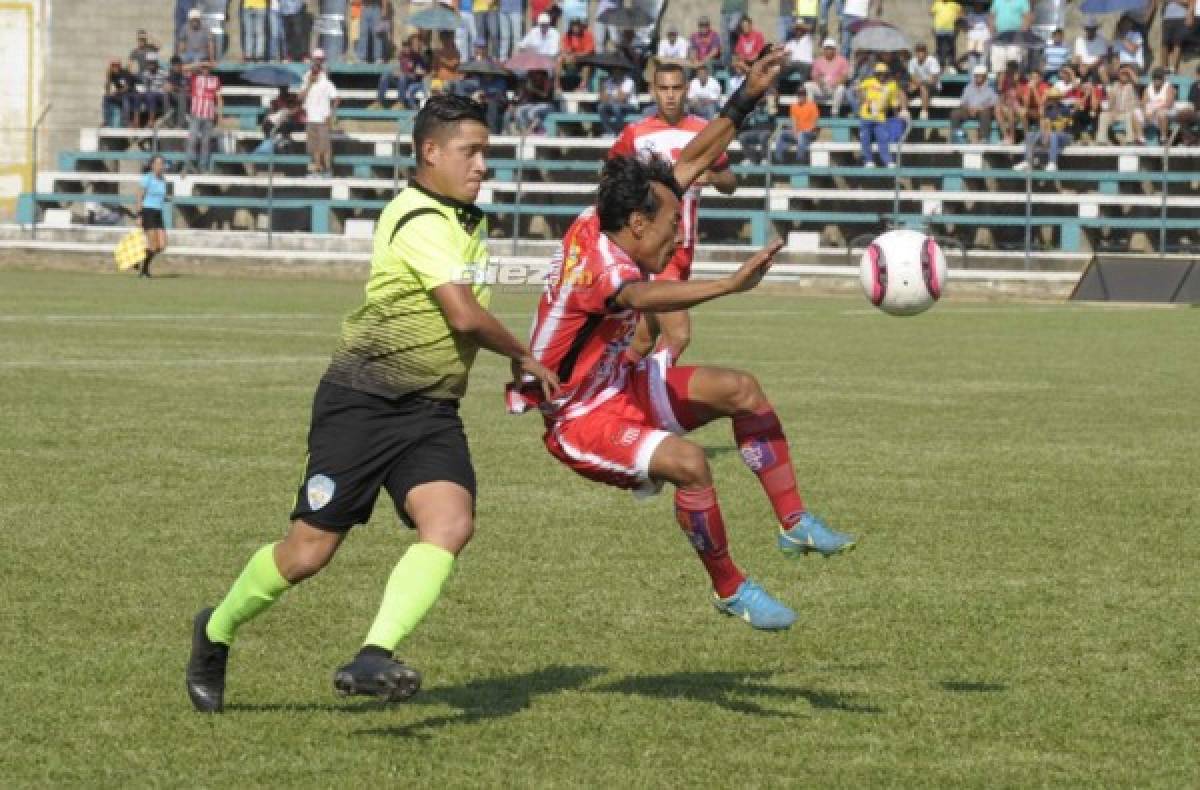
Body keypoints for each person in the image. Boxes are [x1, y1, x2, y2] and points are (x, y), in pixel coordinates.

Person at [185, 95, 560, 713]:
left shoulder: (468, 219)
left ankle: (374, 654)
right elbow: (463, 315)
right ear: (430, 153)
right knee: (307, 553)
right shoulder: (418, 217)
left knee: (451, 524)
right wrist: (523, 357)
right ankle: (216, 629)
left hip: (430, 411)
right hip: (362, 404)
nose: (482, 165)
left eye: (486, 152)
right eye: (471, 152)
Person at [508, 48, 855, 633]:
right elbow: (643, 299)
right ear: (640, 224)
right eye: (671, 227)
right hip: (577, 415)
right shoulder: (603, 266)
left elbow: (691, 162)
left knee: (742, 391)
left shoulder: (614, 218)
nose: (676, 236)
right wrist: (731, 283)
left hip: (619, 380)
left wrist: (746, 96)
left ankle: (793, 520)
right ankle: (730, 588)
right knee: (692, 464)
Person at [609, 60, 739, 361]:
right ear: (653, 91)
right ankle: (654, 401)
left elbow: (731, 181)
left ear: (687, 90)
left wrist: (714, 177)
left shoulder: (703, 131)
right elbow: (609, 177)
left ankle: (608, 391)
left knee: (642, 341)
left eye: (676, 88)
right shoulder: (636, 134)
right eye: (664, 88)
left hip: (685, 247)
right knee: (678, 335)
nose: (670, 95)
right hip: (654, 247)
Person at [300, 49, 339, 176]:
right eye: (316, 59)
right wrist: (309, 84)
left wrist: (332, 115)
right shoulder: (306, 77)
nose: (317, 61)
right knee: (313, 148)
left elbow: (336, 98)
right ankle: (317, 169)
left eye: (320, 59)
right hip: (310, 117)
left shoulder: (326, 79)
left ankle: (328, 170)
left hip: (323, 118)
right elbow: (300, 97)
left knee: (325, 147)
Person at [1015, 87, 1070, 171]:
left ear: (1059, 99)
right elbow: (1042, 125)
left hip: (1064, 136)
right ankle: (1027, 161)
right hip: (1048, 134)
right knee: (1030, 135)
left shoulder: (1064, 109)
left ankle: (1052, 162)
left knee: (1053, 135)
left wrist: (1047, 132)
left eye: (1054, 98)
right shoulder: (1046, 109)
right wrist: (1042, 117)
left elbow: (1061, 127)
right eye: (1051, 98)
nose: (1052, 100)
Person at [858, 61, 901, 167]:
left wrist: (897, 115)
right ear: (875, 74)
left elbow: (894, 102)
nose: (882, 76)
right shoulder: (869, 81)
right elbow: (858, 89)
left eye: (884, 74)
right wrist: (863, 98)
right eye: (879, 74)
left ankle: (887, 161)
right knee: (865, 138)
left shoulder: (892, 85)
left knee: (883, 138)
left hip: (880, 117)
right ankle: (868, 160)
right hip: (866, 115)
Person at [134, 155, 170, 278]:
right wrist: (139, 215)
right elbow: (139, 196)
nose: (161, 166)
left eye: (162, 164)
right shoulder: (147, 178)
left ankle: (140, 260)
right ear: (152, 165)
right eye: (158, 164)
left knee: (162, 245)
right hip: (148, 211)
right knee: (153, 245)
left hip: (158, 212)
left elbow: (161, 195)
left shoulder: (163, 179)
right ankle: (144, 270)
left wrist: (167, 198)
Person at [186, 60, 222, 172]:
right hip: (196, 113)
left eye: (207, 68)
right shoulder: (195, 78)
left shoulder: (215, 80)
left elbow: (219, 97)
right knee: (192, 139)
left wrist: (220, 115)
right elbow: (184, 68)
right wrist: (200, 63)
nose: (205, 69)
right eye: (203, 67)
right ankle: (191, 163)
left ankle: (203, 165)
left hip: (209, 115)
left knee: (206, 142)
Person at [950, 64, 997, 142]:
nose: (977, 78)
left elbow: (994, 103)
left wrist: (980, 109)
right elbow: (963, 102)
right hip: (968, 110)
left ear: (985, 77)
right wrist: (969, 108)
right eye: (976, 76)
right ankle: (959, 136)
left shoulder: (990, 89)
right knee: (955, 113)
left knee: (986, 113)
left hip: (982, 111)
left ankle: (983, 138)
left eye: (980, 76)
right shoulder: (969, 87)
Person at [378, 34, 428, 108]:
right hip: (400, 79)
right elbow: (396, 66)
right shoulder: (401, 55)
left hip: (411, 80)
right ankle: (379, 101)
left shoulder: (418, 57)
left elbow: (423, 72)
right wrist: (396, 71)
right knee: (386, 75)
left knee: (403, 77)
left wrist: (417, 72)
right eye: (413, 44)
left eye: (417, 44)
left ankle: (400, 103)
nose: (407, 48)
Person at [1097, 66, 1144, 144]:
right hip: (1118, 113)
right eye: (1122, 74)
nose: (1124, 76)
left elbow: (1138, 82)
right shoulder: (1115, 85)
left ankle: (1130, 140)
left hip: (1130, 112)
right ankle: (1102, 140)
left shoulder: (1133, 85)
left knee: (1130, 115)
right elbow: (1111, 101)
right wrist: (1111, 111)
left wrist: (1128, 70)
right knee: (1103, 115)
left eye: (1126, 74)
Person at [773, 83, 819, 163]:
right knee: (781, 134)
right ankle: (778, 159)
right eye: (799, 94)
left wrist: (805, 131)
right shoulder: (793, 106)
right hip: (797, 133)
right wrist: (794, 132)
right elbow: (793, 121)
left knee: (801, 134)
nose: (801, 96)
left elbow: (814, 123)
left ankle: (800, 159)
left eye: (803, 94)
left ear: (806, 95)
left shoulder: (812, 105)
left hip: (809, 133)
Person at [806, 38, 850, 116]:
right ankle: (811, 111)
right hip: (822, 88)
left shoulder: (842, 60)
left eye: (831, 48)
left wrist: (837, 83)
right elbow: (814, 75)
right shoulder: (818, 61)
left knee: (841, 88)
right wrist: (820, 82)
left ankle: (834, 113)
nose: (828, 50)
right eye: (827, 48)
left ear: (834, 49)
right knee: (808, 85)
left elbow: (845, 76)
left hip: (834, 88)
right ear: (823, 49)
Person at [989, 0, 1032, 74]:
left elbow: (1027, 18)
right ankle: (1000, 85)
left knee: (1014, 64)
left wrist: (1021, 34)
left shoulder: (1023, 1)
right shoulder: (996, 1)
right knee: (998, 66)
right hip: (999, 37)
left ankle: (1013, 85)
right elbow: (991, 17)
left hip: (1015, 38)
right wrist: (993, 33)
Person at [257, 86, 305, 152]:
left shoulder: (286, 110)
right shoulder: (284, 111)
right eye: (295, 108)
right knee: (271, 143)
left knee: (279, 138)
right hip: (271, 126)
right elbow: (276, 123)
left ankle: (283, 145)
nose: (296, 110)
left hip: (273, 127)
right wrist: (272, 132)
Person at [508, 68, 556, 133]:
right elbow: (522, 96)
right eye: (531, 73)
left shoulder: (547, 81)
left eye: (535, 73)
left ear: (540, 73)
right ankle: (525, 130)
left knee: (532, 113)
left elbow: (545, 95)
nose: (533, 75)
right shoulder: (531, 81)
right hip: (535, 105)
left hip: (547, 105)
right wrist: (514, 102)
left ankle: (540, 130)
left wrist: (533, 89)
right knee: (519, 111)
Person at [598, 67, 638, 136]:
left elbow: (621, 99)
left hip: (630, 105)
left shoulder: (629, 81)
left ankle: (619, 131)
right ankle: (609, 132)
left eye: (618, 71)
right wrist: (603, 87)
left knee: (616, 106)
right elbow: (603, 99)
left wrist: (618, 84)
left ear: (622, 72)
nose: (615, 73)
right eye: (614, 71)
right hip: (613, 105)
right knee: (601, 107)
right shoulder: (609, 81)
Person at [730, 17, 766, 92]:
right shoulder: (741, 37)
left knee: (740, 64)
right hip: (744, 64)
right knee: (736, 64)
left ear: (750, 25)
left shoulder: (758, 35)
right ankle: (738, 87)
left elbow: (757, 55)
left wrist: (744, 59)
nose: (744, 28)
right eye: (743, 27)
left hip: (756, 62)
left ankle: (749, 74)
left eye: (746, 26)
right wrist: (738, 61)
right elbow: (738, 53)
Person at [558, 18, 594, 92]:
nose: (575, 28)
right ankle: (557, 85)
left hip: (583, 59)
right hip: (571, 59)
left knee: (587, 65)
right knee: (559, 60)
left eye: (577, 26)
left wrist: (575, 55)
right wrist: (566, 53)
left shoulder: (587, 35)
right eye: (574, 26)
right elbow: (563, 49)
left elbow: (588, 52)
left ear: (580, 26)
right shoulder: (567, 35)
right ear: (571, 27)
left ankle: (582, 86)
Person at [994, 60, 1026, 144]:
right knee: (997, 110)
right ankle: (1006, 136)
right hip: (1005, 99)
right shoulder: (1003, 76)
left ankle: (1012, 137)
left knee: (1011, 112)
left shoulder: (1020, 77)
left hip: (1016, 101)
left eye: (1012, 68)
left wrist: (1016, 82)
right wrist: (1000, 81)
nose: (1010, 70)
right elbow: (1000, 91)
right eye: (1009, 68)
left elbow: (1021, 93)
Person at [1140, 67, 1177, 140]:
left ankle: (1163, 138)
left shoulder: (1168, 87)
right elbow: (1143, 103)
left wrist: (1155, 111)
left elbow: (1169, 104)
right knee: (1135, 113)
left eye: (1159, 78)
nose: (1157, 80)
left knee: (1161, 114)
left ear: (1163, 79)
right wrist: (1145, 113)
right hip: (1151, 112)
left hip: (1167, 111)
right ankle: (1140, 139)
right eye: (1155, 78)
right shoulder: (1148, 88)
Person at [908, 43, 941, 119]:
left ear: (926, 52)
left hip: (934, 87)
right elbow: (912, 77)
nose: (920, 53)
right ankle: (904, 111)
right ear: (915, 52)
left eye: (922, 51)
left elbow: (933, 79)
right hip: (918, 85)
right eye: (918, 51)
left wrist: (919, 83)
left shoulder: (932, 60)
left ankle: (924, 112)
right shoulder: (912, 61)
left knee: (923, 87)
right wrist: (915, 83)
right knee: (904, 87)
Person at [1162, 0, 1195, 74]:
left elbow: (1189, 2)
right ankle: (1164, 68)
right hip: (1167, 17)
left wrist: (1189, 15)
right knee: (1165, 43)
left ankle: (1173, 68)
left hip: (1182, 17)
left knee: (1178, 43)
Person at [930, 0, 962, 71]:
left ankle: (951, 65)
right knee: (940, 48)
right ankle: (941, 65)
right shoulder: (937, 3)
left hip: (951, 29)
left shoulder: (954, 3)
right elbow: (931, 12)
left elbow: (961, 12)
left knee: (951, 47)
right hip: (939, 29)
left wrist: (957, 18)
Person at [102, 60, 135, 128]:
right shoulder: (112, 74)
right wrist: (108, 77)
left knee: (125, 100)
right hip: (118, 93)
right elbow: (107, 89)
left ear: (119, 66)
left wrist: (116, 92)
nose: (115, 67)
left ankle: (126, 122)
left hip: (129, 92)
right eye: (113, 65)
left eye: (116, 65)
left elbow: (126, 88)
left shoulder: (125, 73)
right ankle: (106, 121)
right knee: (106, 98)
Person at [782, 19, 815, 83]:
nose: (798, 31)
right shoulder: (790, 43)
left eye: (800, 29)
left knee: (804, 67)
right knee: (779, 68)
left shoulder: (808, 38)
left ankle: (801, 87)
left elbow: (811, 29)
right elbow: (784, 53)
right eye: (797, 29)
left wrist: (802, 26)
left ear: (804, 30)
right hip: (793, 64)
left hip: (805, 63)